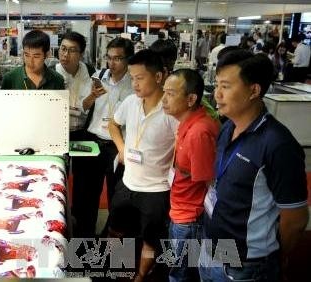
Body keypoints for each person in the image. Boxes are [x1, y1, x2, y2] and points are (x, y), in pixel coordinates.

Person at [200, 50, 309, 281]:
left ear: (254, 90)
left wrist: (276, 258)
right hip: (210, 246)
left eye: (226, 87)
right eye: (217, 85)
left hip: (246, 264)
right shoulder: (228, 126)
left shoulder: (278, 144)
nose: (217, 94)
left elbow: (296, 218)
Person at [108, 49, 177, 281]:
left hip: (156, 189)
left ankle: (140, 276)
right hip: (127, 182)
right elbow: (113, 125)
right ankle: (116, 269)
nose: (134, 84)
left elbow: (183, 145)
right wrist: (121, 147)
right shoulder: (130, 102)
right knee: (116, 229)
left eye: (140, 78)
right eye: (132, 78)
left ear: (158, 77)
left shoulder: (171, 112)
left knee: (150, 239)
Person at [71, 37, 134, 238]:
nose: (112, 63)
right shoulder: (99, 76)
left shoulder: (134, 84)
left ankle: (111, 240)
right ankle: (84, 240)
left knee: (118, 198)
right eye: (109, 58)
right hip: (91, 141)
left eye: (118, 58)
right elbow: (82, 107)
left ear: (128, 59)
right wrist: (91, 97)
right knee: (85, 196)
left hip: (117, 146)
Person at [162, 68, 220, 282]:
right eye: (164, 92)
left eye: (170, 93)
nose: (164, 99)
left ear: (191, 99)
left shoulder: (199, 132)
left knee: (181, 274)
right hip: (182, 211)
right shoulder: (188, 124)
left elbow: (208, 181)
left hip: (190, 217)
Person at [54, 31, 95, 140]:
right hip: (57, 133)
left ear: (81, 54)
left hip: (84, 133)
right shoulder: (51, 73)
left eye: (72, 50)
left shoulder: (90, 72)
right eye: (63, 49)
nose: (65, 54)